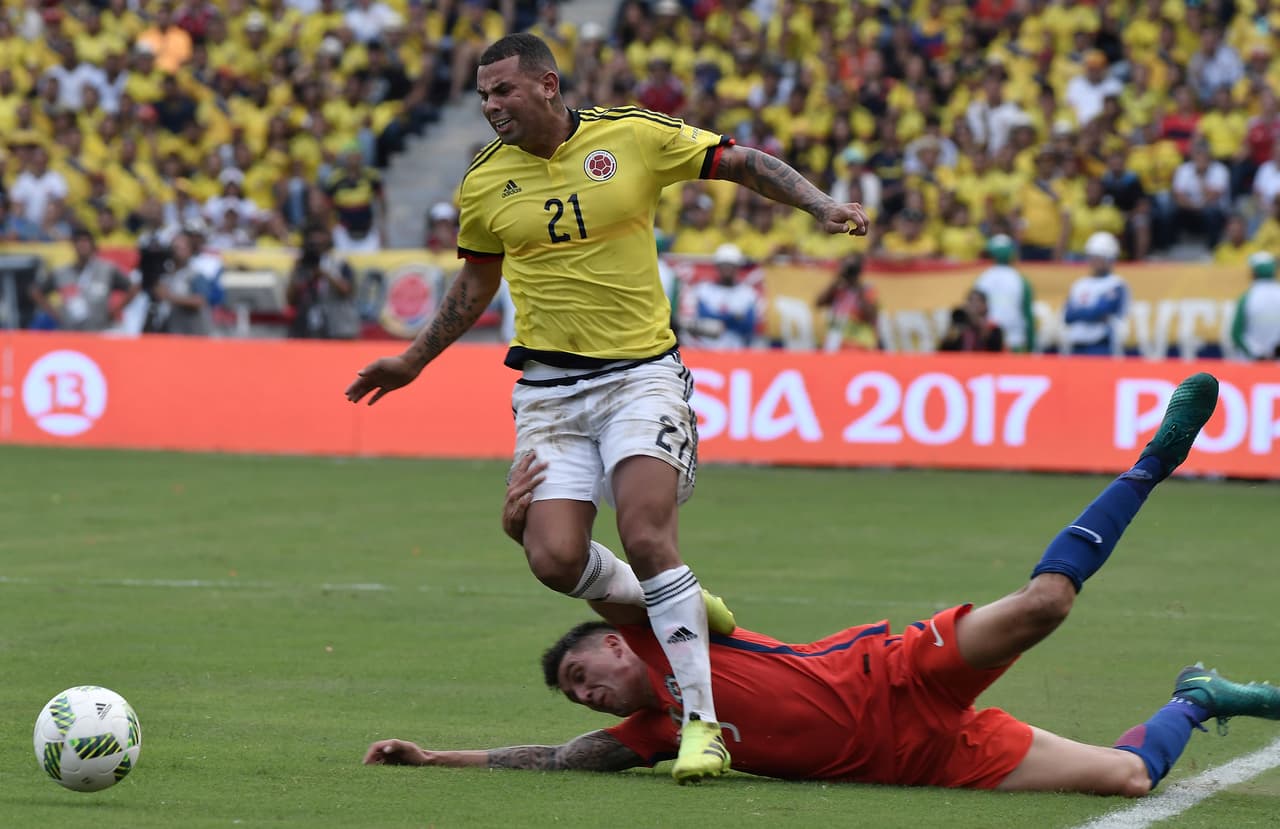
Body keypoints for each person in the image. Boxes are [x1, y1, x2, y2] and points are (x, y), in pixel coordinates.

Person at [344, 32, 869, 783]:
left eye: (503, 92)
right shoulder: (486, 182)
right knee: (552, 557)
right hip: (549, 393)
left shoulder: (633, 134)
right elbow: (474, 285)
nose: (491, 106)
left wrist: (819, 205)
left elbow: (742, 162)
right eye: (484, 96)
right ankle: (686, 602)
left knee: (647, 533)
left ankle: (701, 725)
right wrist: (412, 359)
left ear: (548, 85)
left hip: (639, 375)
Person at [367, 376, 1280, 797]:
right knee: (1127, 777)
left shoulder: (660, 627)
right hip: (918, 760)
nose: (589, 691)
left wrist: (522, 524)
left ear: (611, 641)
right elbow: (554, 759)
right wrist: (434, 757)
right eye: (580, 695)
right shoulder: (651, 732)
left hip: (894, 676)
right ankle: (1197, 698)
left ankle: (1151, 465)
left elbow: (582, 561)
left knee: (1045, 603)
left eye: (582, 672)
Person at [29, 226, 137, 331]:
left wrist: (115, 310)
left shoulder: (107, 270)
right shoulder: (62, 273)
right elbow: (36, 292)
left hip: (99, 330)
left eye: (86, 241)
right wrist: (55, 314)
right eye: (79, 241)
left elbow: (133, 287)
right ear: (74, 245)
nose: (82, 245)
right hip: (70, 332)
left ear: (92, 245)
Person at [287, 223, 360, 339]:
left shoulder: (340, 262)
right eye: (313, 244)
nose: (316, 247)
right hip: (307, 326)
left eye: (319, 244)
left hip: (338, 328)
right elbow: (290, 299)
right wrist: (302, 276)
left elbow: (347, 291)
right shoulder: (302, 265)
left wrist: (325, 274)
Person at [1063, 232, 1129, 356]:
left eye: (1099, 257)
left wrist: (1081, 312)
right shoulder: (1079, 284)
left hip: (1101, 345)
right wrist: (1089, 313)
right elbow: (1067, 315)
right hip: (1076, 345)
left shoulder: (1116, 284)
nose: (1095, 261)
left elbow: (1100, 310)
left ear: (1109, 259)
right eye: (1092, 256)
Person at [686, 243, 761, 350]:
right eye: (724, 265)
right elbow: (702, 318)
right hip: (706, 349)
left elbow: (748, 325)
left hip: (737, 351)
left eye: (731, 265)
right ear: (717, 266)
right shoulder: (704, 290)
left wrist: (716, 319)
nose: (727, 269)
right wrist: (734, 317)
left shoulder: (747, 293)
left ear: (737, 267)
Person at [973, 234, 1035, 353]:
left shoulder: (983, 278)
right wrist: (1031, 344)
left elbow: (975, 310)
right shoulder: (1019, 279)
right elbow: (1028, 314)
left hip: (996, 341)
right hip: (1011, 340)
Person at [816, 253, 879, 351]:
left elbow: (871, 316)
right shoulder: (837, 288)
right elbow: (819, 303)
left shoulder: (867, 289)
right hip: (835, 343)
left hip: (859, 344)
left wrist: (857, 287)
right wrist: (837, 279)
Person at [1231, 251, 1280, 360]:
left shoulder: (1248, 297)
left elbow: (1236, 333)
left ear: (1254, 273)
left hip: (1252, 365)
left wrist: (1256, 354)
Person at [939, 289, 1003, 352]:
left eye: (976, 301)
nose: (972, 305)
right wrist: (951, 334)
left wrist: (978, 323)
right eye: (969, 300)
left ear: (985, 306)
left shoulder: (993, 328)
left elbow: (995, 348)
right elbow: (944, 351)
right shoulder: (960, 327)